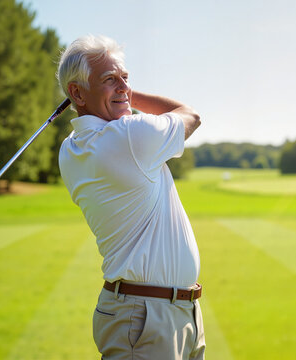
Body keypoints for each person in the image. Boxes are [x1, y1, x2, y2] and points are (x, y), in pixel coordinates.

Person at [57, 35, 205, 360]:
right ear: (76, 93)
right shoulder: (128, 137)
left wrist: (113, 93)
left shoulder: (70, 149)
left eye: (126, 78)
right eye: (110, 79)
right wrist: (128, 97)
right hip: (147, 317)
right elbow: (190, 115)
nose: (123, 87)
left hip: (169, 311)